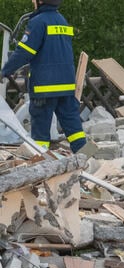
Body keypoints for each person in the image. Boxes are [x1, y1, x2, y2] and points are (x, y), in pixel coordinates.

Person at [0, 0, 87, 153]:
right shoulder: (62, 21)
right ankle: (86, 158)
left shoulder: (38, 22)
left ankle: (42, 162)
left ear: (40, 1)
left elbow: (24, 52)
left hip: (44, 87)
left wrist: (4, 71)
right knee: (73, 128)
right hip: (66, 85)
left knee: (40, 132)